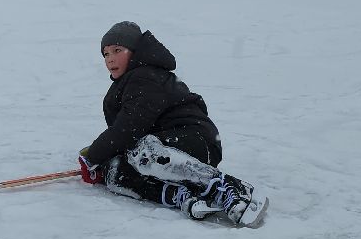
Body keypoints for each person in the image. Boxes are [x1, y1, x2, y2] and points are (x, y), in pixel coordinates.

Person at [77, 21, 267, 228]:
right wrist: (104, 162)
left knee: (144, 151)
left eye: (117, 50)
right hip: (165, 149)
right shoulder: (126, 84)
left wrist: (94, 155)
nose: (110, 58)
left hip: (195, 139)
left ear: (135, 52)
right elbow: (125, 136)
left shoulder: (146, 76)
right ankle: (179, 194)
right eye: (105, 54)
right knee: (116, 172)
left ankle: (230, 188)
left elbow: (128, 128)